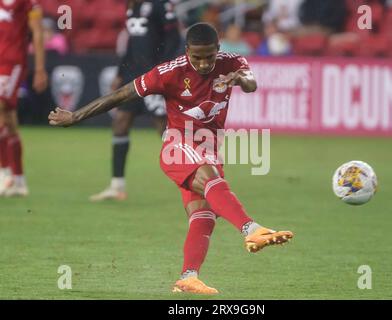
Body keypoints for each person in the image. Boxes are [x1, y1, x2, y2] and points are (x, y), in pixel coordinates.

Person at [49, 23, 294, 294]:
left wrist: (238, 79)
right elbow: (120, 95)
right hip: (178, 146)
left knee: (204, 215)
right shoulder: (169, 72)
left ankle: (188, 278)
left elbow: (251, 84)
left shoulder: (232, 62)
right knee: (210, 179)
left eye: (209, 57)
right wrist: (75, 116)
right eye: (196, 57)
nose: (202, 63)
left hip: (209, 147)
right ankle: (251, 229)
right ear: (187, 51)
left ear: (218, 51)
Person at [90, 0, 181, 201]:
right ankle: (117, 186)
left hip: (155, 76)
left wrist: (162, 71)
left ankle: (195, 180)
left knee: (163, 128)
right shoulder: (132, 7)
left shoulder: (160, 4)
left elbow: (174, 39)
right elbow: (132, 44)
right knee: (121, 122)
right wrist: (120, 73)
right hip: (134, 76)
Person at [0, 0, 48, 197]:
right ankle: (19, 180)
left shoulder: (28, 2)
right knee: (10, 121)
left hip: (12, 63)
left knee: (1, 107)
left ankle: (4, 174)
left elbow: (37, 33)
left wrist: (39, 68)